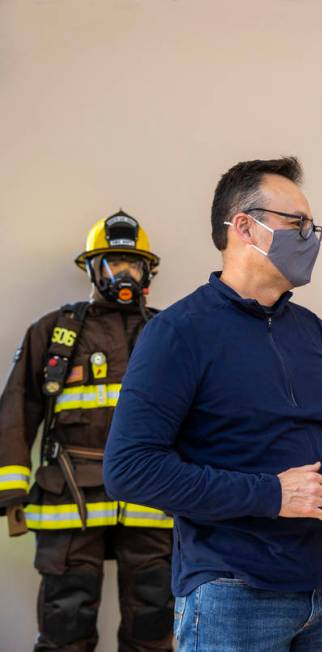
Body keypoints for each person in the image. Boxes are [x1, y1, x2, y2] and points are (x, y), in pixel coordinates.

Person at [103, 156, 322, 652]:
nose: (311, 237)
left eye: (313, 226)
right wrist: (271, 495)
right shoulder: (177, 334)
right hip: (232, 594)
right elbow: (129, 469)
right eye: (298, 224)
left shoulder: (311, 330)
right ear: (245, 227)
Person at [0, 211, 174, 652]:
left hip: (149, 498)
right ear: (93, 270)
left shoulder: (169, 333)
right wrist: (10, 492)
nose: (124, 274)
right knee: (66, 617)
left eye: (132, 264)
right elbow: (16, 408)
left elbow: (202, 416)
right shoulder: (54, 333)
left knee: (154, 618)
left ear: (147, 271)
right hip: (69, 494)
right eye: (113, 264)